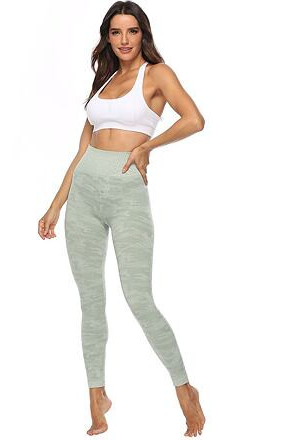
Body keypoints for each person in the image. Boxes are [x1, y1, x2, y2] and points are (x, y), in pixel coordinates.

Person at [38, 2, 206, 437]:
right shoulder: (105, 78)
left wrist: (147, 146)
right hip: (84, 194)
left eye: (132, 31)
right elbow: (82, 149)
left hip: (127, 193)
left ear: (142, 34)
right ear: (107, 37)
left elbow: (194, 120)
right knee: (90, 301)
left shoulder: (158, 74)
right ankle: (97, 397)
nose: (124, 39)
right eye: (116, 32)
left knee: (139, 298)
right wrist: (57, 203)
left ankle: (185, 389)